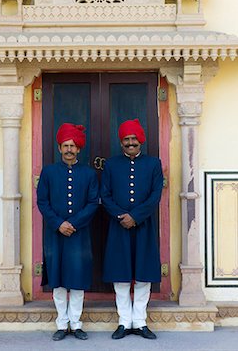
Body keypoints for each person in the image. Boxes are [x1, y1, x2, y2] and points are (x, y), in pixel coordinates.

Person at [101, 118, 163, 340]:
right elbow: (105, 195)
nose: (130, 143)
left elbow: (155, 195)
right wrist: (121, 216)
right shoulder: (111, 164)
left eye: (134, 139)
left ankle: (140, 321)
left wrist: (135, 216)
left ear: (141, 141)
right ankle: (124, 321)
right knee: (121, 275)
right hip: (119, 226)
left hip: (144, 225)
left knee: (144, 274)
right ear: (121, 142)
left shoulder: (153, 164)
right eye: (126, 139)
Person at [37, 123, 99, 341]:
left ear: (79, 149)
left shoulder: (89, 174)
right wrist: (58, 224)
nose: (69, 149)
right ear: (59, 148)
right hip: (55, 234)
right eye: (65, 145)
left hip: (79, 234)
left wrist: (73, 223)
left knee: (77, 279)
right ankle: (62, 325)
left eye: (73, 145)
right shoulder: (48, 172)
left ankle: (76, 323)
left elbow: (93, 203)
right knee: (59, 279)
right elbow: (42, 202)